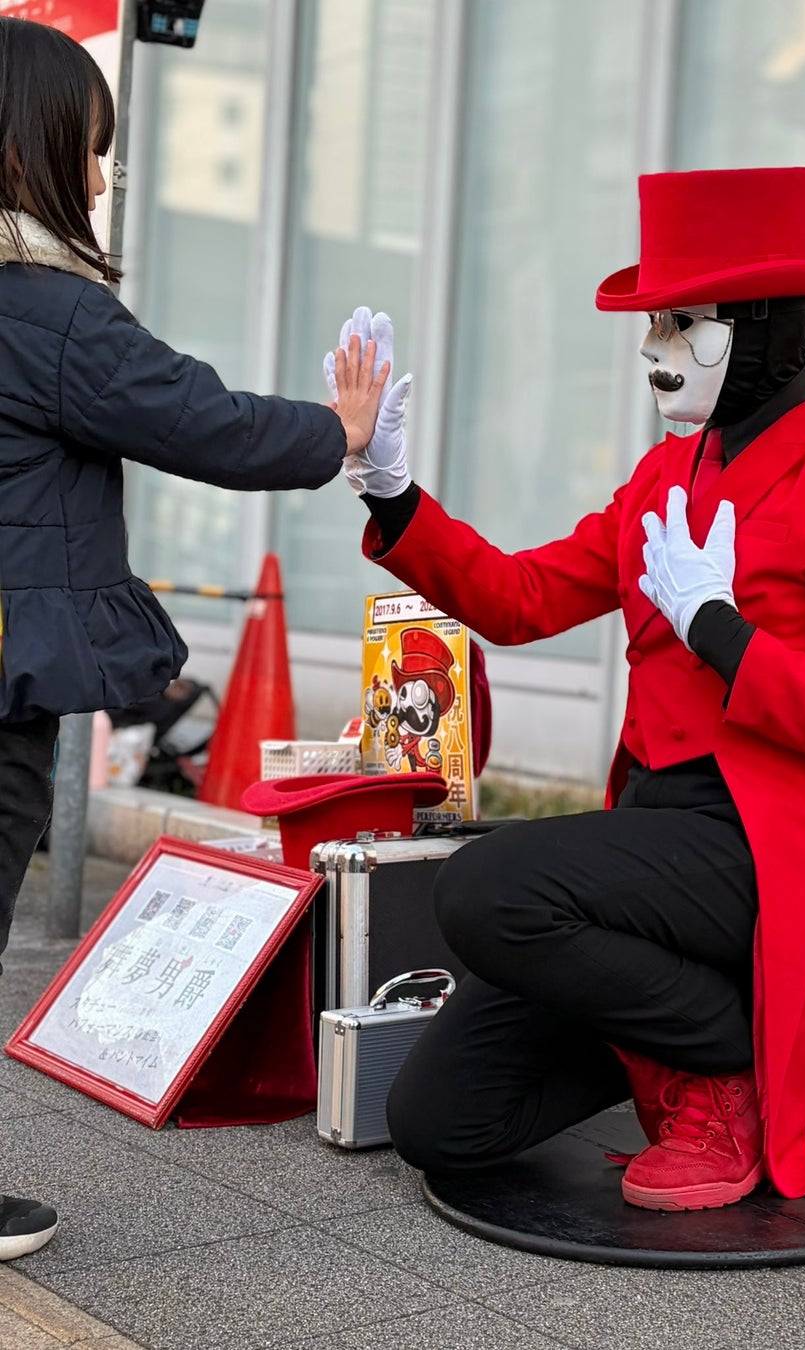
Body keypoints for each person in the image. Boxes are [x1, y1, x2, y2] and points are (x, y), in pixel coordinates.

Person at [333, 167, 805, 1213]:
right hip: (654, 844)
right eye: (654, 326)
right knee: (441, 1124)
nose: (656, 352)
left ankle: (725, 1063)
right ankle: (679, 1043)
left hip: (759, 847)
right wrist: (393, 493)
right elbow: (521, 599)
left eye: (682, 325)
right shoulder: (664, 477)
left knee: (481, 888)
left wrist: (723, 633)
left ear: (761, 328)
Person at [0, 16, 386, 1258]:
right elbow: (197, 419)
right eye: (91, 148)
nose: (100, 177)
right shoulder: (48, 315)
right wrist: (340, 432)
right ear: (34, 151)